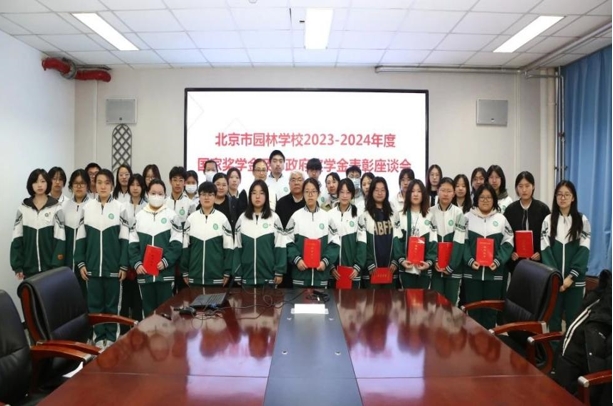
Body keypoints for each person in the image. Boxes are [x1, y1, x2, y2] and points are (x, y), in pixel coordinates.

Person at [74, 169, 129, 349]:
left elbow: (125, 240)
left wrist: (123, 264)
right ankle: (98, 339)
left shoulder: (120, 208)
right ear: (94, 186)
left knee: (112, 307)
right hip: (92, 269)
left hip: (113, 269)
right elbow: (80, 238)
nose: (103, 186)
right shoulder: (87, 208)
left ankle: (112, 339)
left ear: (112, 185)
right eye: (99, 182)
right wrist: (81, 262)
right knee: (95, 307)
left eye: (106, 182)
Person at [541, 180, 591, 332]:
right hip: (554, 282)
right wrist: (556, 277)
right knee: (553, 320)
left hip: (575, 282)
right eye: (559, 194)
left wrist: (571, 277)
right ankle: (553, 348)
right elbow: (545, 250)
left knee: (573, 322)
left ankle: (570, 349)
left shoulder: (582, 220)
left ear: (573, 198)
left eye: (567, 195)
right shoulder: (548, 220)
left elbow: (584, 250)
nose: (563, 198)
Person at [129, 179, 183, 317]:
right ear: (147, 194)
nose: (156, 196)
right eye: (153, 193)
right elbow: (132, 244)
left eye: (160, 193)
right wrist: (137, 263)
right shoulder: (139, 217)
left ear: (165, 195)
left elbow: (177, 244)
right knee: (148, 314)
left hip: (165, 275)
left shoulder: (172, 216)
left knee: (165, 313)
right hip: (145, 275)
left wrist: (166, 261)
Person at [463, 183, 513, 329]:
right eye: (482, 197)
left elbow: (508, 243)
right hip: (472, 274)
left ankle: (489, 342)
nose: (485, 200)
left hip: (494, 274)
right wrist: (470, 260)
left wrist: (498, 261)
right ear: (476, 199)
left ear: (494, 200)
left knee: (491, 312)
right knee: (473, 311)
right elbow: (462, 243)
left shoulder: (501, 219)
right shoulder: (467, 218)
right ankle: (473, 341)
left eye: (489, 197)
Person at [11, 169, 66, 279]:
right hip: (28, 269)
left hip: (50, 269)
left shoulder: (56, 207)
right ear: (31, 185)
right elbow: (17, 237)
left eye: (42, 181)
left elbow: (60, 239)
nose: (39, 185)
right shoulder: (23, 208)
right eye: (35, 182)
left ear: (47, 183)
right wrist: (17, 266)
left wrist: (56, 265)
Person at [286, 178, 340, 288]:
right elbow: (287, 241)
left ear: (318, 193)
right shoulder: (296, 216)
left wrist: (325, 261)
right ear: (303, 194)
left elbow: (335, 243)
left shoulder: (327, 217)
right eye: (307, 191)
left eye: (313, 191)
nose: (310, 195)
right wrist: (297, 260)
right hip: (300, 276)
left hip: (321, 277)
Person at [234, 180, 286, 287]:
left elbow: (280, 246)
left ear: (266, 196)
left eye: (261, 193)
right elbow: (237, 247)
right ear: (249, 196)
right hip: (247, 278)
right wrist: (237, 273)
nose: (257, 196)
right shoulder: (242, 219)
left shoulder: (274, 218)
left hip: (269, 278)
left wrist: (279, 271)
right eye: (254, 193)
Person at [181, 182, 234, 287]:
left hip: (217, 277)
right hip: (194, 277)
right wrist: (185, 271)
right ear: (199, 196)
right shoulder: (191, 219)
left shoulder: (222, 219)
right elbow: (185, 247)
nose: (206, 197)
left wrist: (227, 272)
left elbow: (229, 248)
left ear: (215, 197)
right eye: (203, 194)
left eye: (210, 194)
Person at [504, 171, 550, 273]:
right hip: (517, 263)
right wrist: (511, 253)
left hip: (538, 263)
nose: (524, 190)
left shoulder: (543, 209)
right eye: (520, 186)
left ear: (533, 186)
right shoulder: (510, 210)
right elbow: (506, 235)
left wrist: (541, 253)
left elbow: (548, 236)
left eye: (527, 186)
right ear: (516, 188)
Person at [394, 179, 437, 289]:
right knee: (407, 298)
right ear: (408, 194)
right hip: (406, 268)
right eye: (412, 191)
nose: (416, 194)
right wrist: (402, 260)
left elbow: (433, 241)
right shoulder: (400, 215)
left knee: (423, 299)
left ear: (423, 194)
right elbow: (397, 240)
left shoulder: (430, 216)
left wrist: (429, 262)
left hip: (424, 269)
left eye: (419, 191)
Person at [430, 177, 466, 305]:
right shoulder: (430, 212)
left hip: (454, 269)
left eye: (449, 191)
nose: (445, 194)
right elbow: (429, 241)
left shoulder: (459, 213)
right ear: (437, 192)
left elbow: (460, 242)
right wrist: (434, 261)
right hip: (435, 268)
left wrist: (452, 265)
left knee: (451, 305)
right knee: (435, 303)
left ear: (454, 193)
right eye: (443, 190)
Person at [362, 177, 399, 289]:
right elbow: (362, 242)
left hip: (390, 268)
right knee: (372, 299)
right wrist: (369, 262)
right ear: (371, 191)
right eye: (376, 190)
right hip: (372, 269)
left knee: (389, 299)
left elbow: (399, 239)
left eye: (383, 190)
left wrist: (395, 260)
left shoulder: (393, 213)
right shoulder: (365, 214)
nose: (380, 193)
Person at [120, 173, 147, 328]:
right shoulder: (122, 206)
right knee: (125, 297)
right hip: (125, 254)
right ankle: (124, 330)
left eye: (138, 185)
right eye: (132, 185)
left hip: (141, 256)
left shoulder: (148, 206)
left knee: (139, 297)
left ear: (143, 187)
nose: (135, 188)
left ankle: (140, 328)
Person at [329, 179, 366, 289]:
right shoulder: (329, 215)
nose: (345, 196)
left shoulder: (358, 214)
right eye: (342, 192)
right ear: (337, 193)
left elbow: (362, 242)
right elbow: (326, 243)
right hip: (334, 272)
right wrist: (331, 267)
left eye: (348, 192)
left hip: (352, 272)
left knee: (352, 300)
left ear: (352, 194)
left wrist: (357, 266)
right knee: (332, 299)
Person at [63, 169, 90, 298]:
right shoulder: (63, 206)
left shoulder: (92, 206)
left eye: (82, 183)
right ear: (71, 185)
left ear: (88, 185)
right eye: (76, 183)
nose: (79, 187)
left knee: (85, 297)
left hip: (86, 262)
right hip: (67, 261)